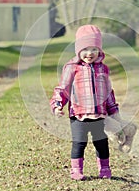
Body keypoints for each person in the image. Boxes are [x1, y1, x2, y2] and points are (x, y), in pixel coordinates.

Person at [50, 24, 122, 180]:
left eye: (94, 49)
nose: (89, 53)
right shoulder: (72, 68)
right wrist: (57, 104)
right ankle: (76, 170)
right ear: (78, 50)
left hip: (99, 114)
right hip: (78, 114)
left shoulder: (103, 69)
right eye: (85, 49)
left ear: (100, 51)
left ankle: (104, 169)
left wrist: (113, 110)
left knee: (101, 143)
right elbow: (63, 88)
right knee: (79, 143)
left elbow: (107, 91)